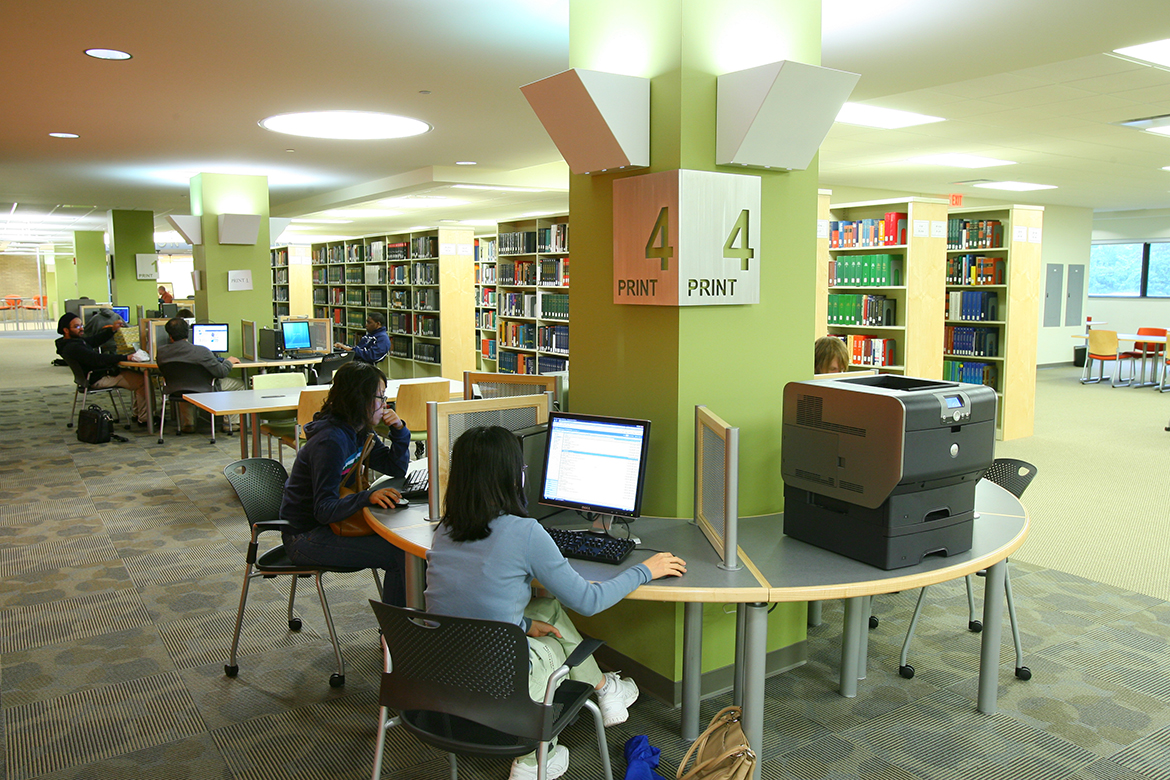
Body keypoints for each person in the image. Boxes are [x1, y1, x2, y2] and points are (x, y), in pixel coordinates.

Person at [424, 426, 687, 780]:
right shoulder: (525, 532)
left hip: (444, 674)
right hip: (503, 681)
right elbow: (589, 600)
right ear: (511, 476)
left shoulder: (444, 529)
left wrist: (523, 625)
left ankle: (605, 689)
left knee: (546, 609)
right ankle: (532, 762)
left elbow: (466, 607)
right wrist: (644, 570)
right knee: (554, 644)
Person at [279, 361, 412, 606]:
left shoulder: (358, 430)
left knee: (404, 547)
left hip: (331, 525)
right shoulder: (331, 440)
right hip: (306, 536)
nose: (385, 404)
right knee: (402, 554)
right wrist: (366, 497)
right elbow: (323, 510)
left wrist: (399, 430)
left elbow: (395, 467)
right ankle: (396, 637)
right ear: (358, 398)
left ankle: (406, 627)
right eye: (380, 397)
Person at [55, 312, 149, 425]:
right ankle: (145, 419)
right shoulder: (74, 347)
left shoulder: (71, 343)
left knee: (138, 377)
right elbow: (98, 359)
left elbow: (93, 341)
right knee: (144, 381)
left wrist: (112, 330)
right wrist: (126, 357)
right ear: (66, 330)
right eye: (77, 326)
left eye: (81, 325)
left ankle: (138, 414)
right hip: (98, 377)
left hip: (90, 376)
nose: (81, 329)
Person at [155, 318, 245, 432]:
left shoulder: (161, 352)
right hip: (204, 388)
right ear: (188, 332)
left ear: (170, 336)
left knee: (183, 382)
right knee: (239, 384)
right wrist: (228, 362)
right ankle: (230, 423)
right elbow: (221, 372)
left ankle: (188, 424)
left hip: (175, 389)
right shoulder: (201, 352)